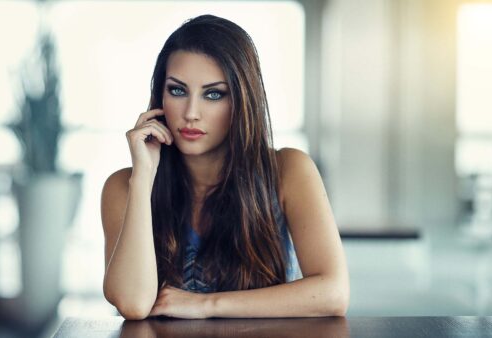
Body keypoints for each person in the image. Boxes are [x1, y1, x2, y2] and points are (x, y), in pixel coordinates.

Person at [101, 14, 349, 320]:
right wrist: (143, 177)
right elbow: (132, 304)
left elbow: (333, 293)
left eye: (214, 94)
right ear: (159, 97)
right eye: (177, 90)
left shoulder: (289, 169)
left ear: (242, 101)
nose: (191, 113)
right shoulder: (122, 186)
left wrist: (205, 305)